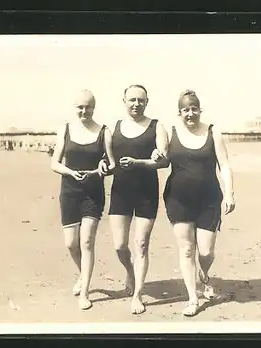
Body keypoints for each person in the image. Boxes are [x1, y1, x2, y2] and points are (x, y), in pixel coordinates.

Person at [152, 90, 235, 316]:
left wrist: (230, 194)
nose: (190, 114)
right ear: (179, 113)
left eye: (194, 109)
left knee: (206, 251)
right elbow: (161, 159)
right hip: (178, 198)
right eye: (186, 110)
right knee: (187, 249)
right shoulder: (171, 132)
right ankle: (192, 298)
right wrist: (157, 158)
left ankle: (205, 275)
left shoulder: (213, 132)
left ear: (200, 109)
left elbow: (225, 166)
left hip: (209, 199)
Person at [98, 85, 169, 314]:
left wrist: (147, 159)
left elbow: (164, 160)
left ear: (147, 102)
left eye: (141, 100)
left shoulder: (157, 126)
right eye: (132, 100)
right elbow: (108, 162)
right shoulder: (114, 128)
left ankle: (137, 294)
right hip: (120, 191)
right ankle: (129, 271)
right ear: (124, 101)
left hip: (146, 193)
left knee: (141, 244)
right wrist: (103, 166)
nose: (136, 104)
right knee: (120, 246)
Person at [51, 89, 116, 310]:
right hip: (69, 192)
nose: (84, 111)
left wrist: (103, 167)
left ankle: (85, 291)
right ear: (74, 107)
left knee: (87, 242)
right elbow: (54, 163)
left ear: (94, 108)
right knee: (71, 243)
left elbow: (112, 165)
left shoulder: (104, 132)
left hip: (93, 193)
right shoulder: (65, 130)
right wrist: (70, 172)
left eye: (88, 107)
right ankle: (82, 275)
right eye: (80, 107)